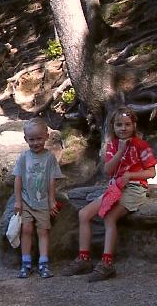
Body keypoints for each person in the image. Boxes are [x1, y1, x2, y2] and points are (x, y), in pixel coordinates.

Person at [62, 106, 156, 282]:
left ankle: (107, 263)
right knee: (84, 213)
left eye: (127, 124)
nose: (123, 128)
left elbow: (151, 173)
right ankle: (83, 258)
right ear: (112, 127)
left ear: (134, 125)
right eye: (119, 125)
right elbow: (108, 170)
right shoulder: (113, 145)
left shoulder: (141, 146)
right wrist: (120, 152)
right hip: (115, 187)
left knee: (109, 217)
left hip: (135, 188)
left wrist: (131, 175)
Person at [13, 117, 64, 279]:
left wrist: (51, 200)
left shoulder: (49, 158)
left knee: (43, 231)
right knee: (26, 229)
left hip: (42, 202)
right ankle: (25, 262)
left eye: (39, 138)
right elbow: (18, 178)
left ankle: (43, 262)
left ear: (46, 137)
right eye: (31, 139)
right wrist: (18, 201)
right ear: (26, 139)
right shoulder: (24, 157)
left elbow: (51, 180)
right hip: (27, 201)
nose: (35, 143)